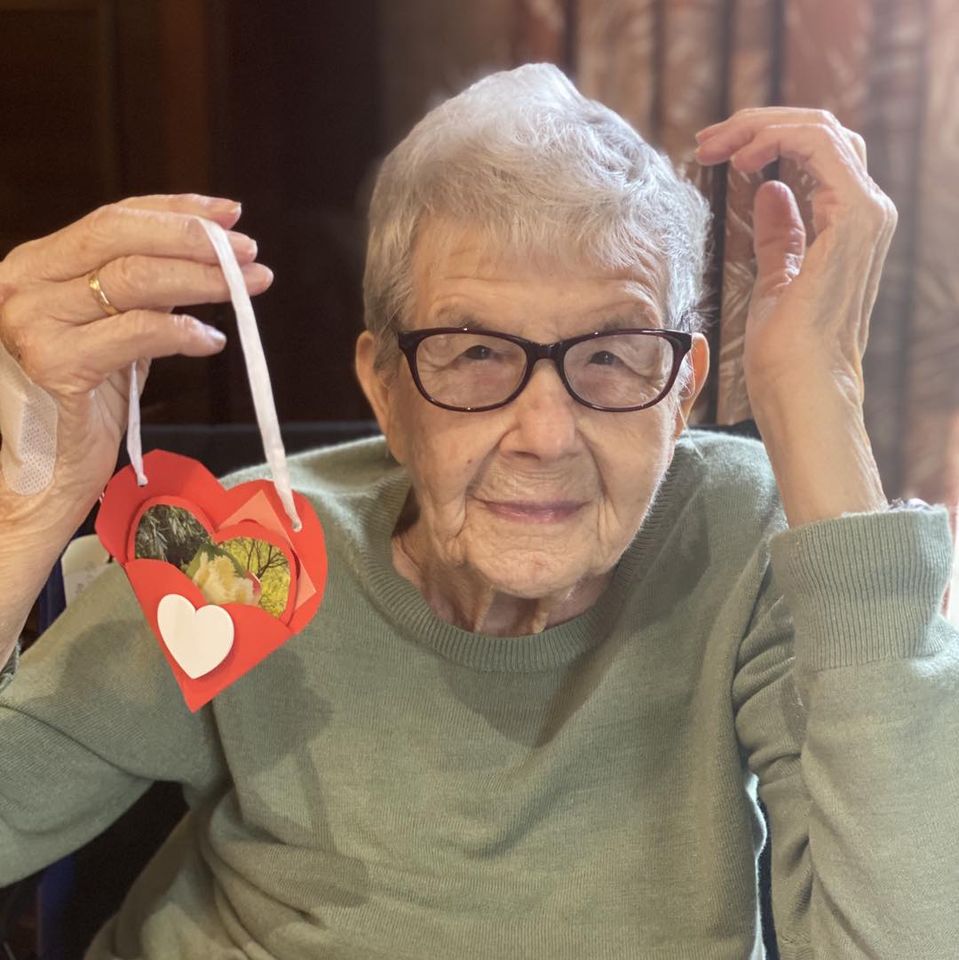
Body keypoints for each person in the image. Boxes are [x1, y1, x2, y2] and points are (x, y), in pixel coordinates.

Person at [1, 63, 956, 959]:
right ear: (385, 387)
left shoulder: (748, 543)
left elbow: (907, 934)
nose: (545, 434)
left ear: (682, 391)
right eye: (473, 354)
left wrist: (817, 397)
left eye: (614, 356)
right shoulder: (246, 556)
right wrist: (26, 514)